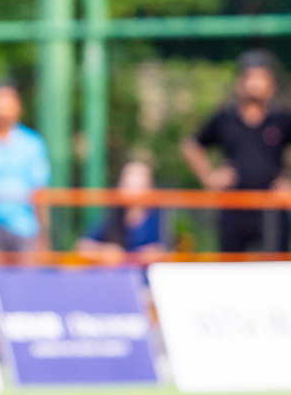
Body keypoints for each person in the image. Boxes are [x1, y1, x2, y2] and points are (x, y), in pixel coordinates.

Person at [181, 51, 291, 252]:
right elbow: (191, 145)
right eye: (251, 77)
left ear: (271, 83)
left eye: (262, 77)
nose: (255, 84)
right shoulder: (226, 119)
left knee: (274, 271)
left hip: (272, 210)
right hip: (233, 207)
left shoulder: (281, 119)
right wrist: (209, 177)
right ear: (240, 81)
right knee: (231, 270)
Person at [0, 82, 51, 253]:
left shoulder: (32, 143)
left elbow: (39, 191)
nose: (2, 107)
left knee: (26, 278)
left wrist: (43, 234)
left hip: (23, 226)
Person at [76, 160, 165, 259]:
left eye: (138, 186)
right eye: (129, 186)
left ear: (149, 188)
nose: (133, 193)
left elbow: (166, 251)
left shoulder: (158, 217)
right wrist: (104, 251)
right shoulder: (112, 215)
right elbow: (83, 246)